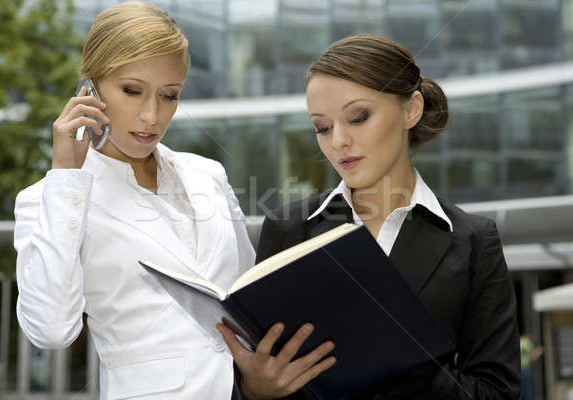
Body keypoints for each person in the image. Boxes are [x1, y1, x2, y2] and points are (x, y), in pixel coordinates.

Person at [218, 34, 521, 399]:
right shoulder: (288, 229)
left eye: (358, 117)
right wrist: (255, 389)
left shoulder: (472, 240)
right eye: (322, 127)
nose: (338, 142)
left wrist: (403, 362)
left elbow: (498, 392)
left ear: (411, 109)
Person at [13, 2, 255, 399]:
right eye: (132, 90)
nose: (151, 116)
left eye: (169, 96)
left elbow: (246, 295)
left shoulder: (207, 174)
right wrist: (66, 179)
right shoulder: (48, 199)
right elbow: (51, 330)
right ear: (89, 89)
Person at [520, 333, 543, 400]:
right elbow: (532, 356)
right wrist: (539, 351)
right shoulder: (526, 343)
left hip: (518, 369)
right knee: (529, 391)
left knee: (522, 390)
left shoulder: (519, 341)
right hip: (525, 369)